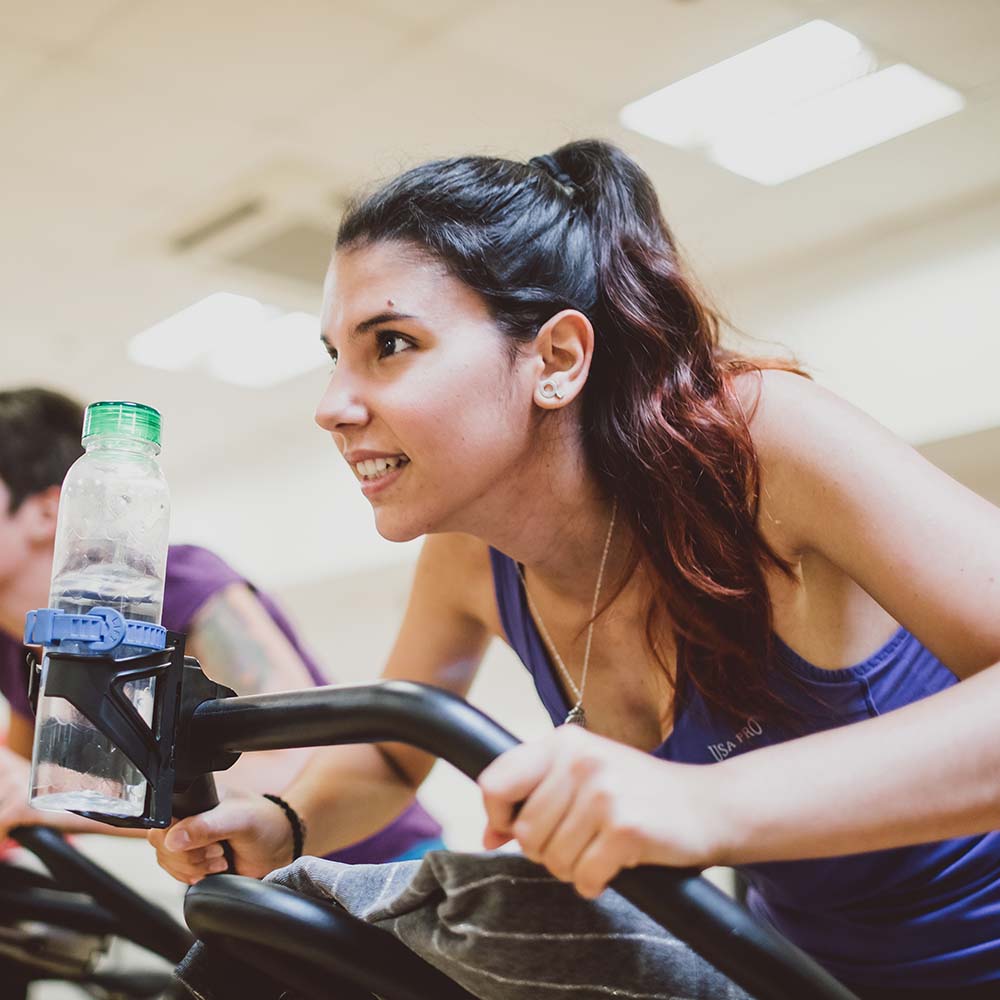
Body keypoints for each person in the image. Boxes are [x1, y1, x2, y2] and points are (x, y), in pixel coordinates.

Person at [150, 140, 1000, 997]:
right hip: (806, 973)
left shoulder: (758, 444)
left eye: (393, 344)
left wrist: (705, 804)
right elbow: (393, 755)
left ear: (555, 359)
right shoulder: (473, 554)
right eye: (336, 355)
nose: (333, 407)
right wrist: (283, 821)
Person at [0, 387, 444, 864]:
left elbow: (287, 766)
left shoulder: (185, 586)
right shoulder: (12, 640)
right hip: (244, 880)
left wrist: (48, 803)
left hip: (372, 859)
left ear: (49, 510)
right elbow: (28, 772)